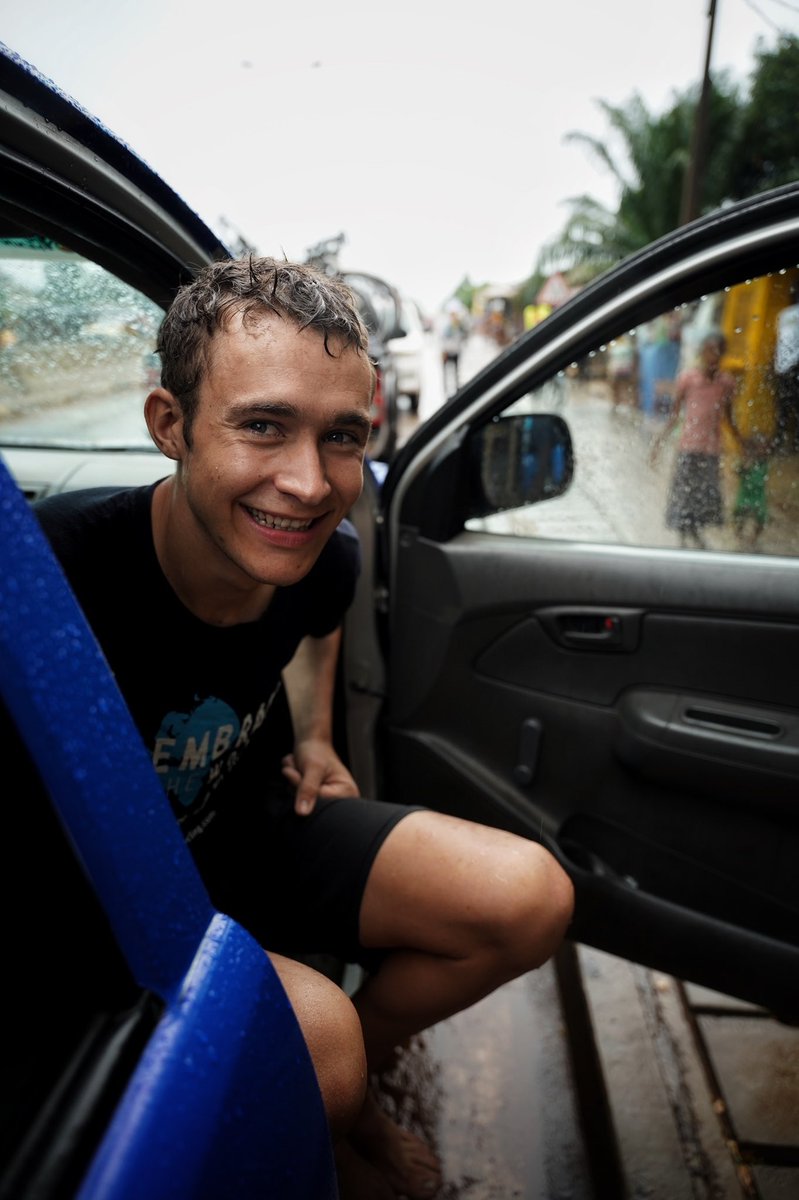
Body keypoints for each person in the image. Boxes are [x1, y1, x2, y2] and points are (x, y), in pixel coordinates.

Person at [33, 257, 574, 1200]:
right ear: (170, 425)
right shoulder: (51, 581)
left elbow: (317, 629)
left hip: (251, 827)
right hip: (108, 903)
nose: (310, 484)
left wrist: (316, 737)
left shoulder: (323, 558)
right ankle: (343, 1107)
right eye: (262, 427)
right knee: (320, 1043)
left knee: (528, 897)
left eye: (342, 438)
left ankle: (337, 1084)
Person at [650, 330, 740, 549]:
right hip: (688, 447)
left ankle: (696, 532)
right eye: (709, 351)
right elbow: (674, 415)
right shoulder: (688, 379)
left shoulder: (726, 383)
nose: (713, 356)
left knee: (704, 495)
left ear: (723, 354)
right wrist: (658, 443)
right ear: (701, 353)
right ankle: (683, 536)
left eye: (717, 352)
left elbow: (728, 418)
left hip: (711, 449)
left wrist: (741, 443)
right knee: (684, 492)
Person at [773, 281, 799, 452]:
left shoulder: (783, 314)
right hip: (795, 366)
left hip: (782, 365)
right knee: (794, 406)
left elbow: (779, 339)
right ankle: (793, 442)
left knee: (783, 407)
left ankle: (781, 441)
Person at [439, 308, 468, 395]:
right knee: (446, 372)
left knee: (456, 371)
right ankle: (446, 390)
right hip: (447, 351)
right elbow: (443, 340)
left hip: (456, 351)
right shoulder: (447, 326)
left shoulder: (459, 326)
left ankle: (456, 388)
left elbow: (464, 335)